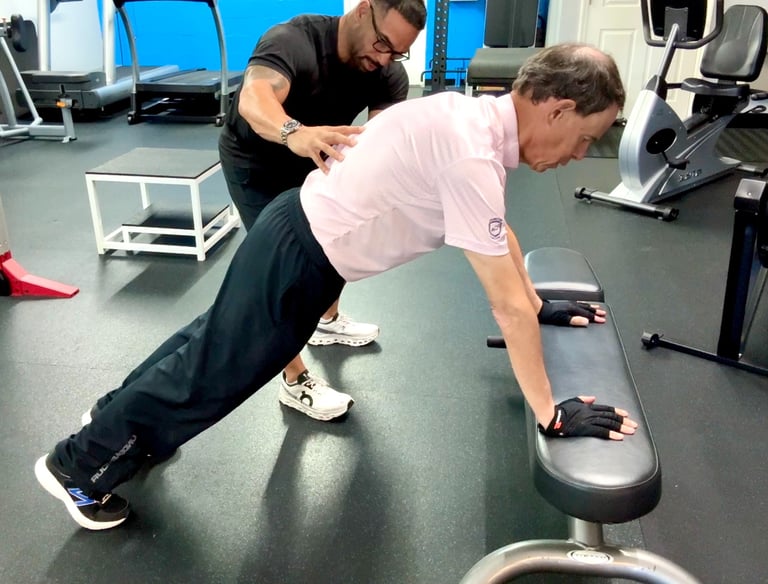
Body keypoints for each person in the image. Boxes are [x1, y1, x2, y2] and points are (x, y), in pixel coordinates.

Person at [35, 43, 639, 531]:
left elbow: (498, 234)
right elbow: (504, 305)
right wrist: (550, 412)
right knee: (211, 375)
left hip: (298, 238)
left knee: (206, 347)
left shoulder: (474, 123)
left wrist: (538, 301)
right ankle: (78, 466)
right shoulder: (471, 153)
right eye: (587, 136)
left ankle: (112, 421)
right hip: (301, 256)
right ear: (557, 109)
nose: (582, 153)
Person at [217, 0, 427, 422]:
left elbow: (380, 141)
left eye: (396, 52)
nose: (384, 58)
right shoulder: (293, 40)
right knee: (280, 273)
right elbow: (254, 99)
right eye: (382, 43)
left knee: (340, 241)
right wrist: (293, 131)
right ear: (362, 10)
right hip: (256, 159)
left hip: (318, 156)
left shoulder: (387, 73)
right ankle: (294, 381)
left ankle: (327, 321)